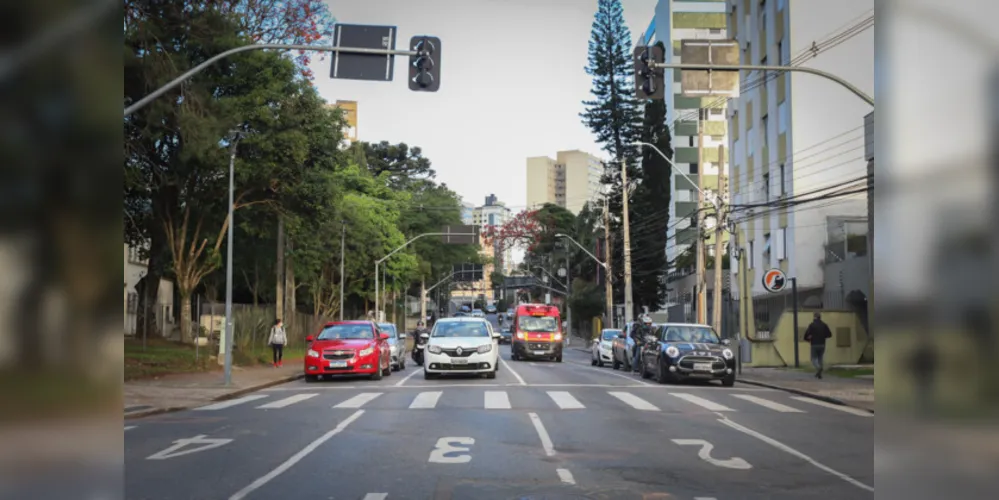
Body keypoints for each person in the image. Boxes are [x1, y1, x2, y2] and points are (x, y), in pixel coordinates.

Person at [803, 312, 833, 378]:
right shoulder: (824, 325)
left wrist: (808, 339)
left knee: (813, 359)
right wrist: (823, 336)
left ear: (814, 317)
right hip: (822, 344)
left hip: (814, 344)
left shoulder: (812, 325)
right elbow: (830, 334)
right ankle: (819, 374)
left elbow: (806, 335)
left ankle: (819, 368)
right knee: (820, 359)